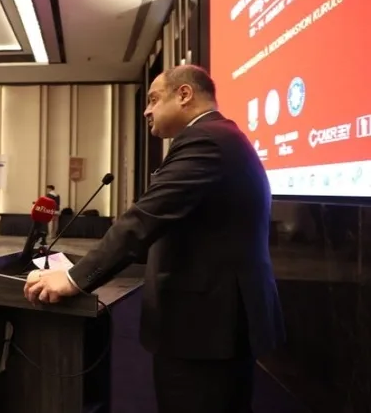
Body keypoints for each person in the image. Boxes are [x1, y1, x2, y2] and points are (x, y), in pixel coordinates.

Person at [24, 65, 285, 413]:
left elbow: (145, 219)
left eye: (153, 99)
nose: (147, 110)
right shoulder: (218, 137)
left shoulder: (206, 141)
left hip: (208, 327)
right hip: (213, 320)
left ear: (184, 95)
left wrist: (74, 279)